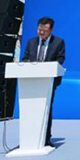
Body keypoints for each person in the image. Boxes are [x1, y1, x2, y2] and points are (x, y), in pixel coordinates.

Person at [22, 17, 65, 147]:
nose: (41, 32)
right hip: (31, 81)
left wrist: (46, 68)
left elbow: (60, 59)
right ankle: (28, 139)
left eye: (44, 30)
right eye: (39, 29)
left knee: (46, 108)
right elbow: (25, 58)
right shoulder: (31, 42)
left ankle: (46, 138)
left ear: (51, 30)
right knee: (30, 109)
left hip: (49, 82)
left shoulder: (58, 42)